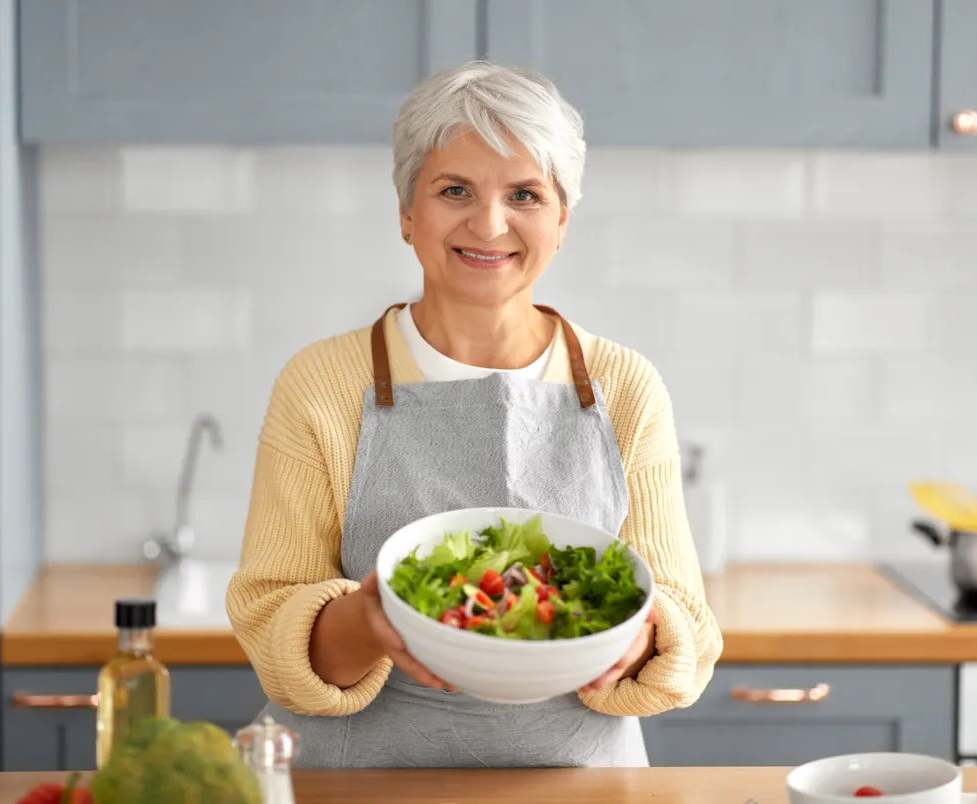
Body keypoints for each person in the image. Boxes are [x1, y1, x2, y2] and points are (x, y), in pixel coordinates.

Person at [226, 60, 723, 769]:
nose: (489, 224)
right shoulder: (322, 385)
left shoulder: (624, 386)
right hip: (359, 782)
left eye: (525, 194)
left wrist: (630, 636)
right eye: (454, 189)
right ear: (406, 213)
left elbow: (689, 630)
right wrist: (369, 621)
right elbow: (273, 624)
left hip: (579, 781)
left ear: (561, 220)